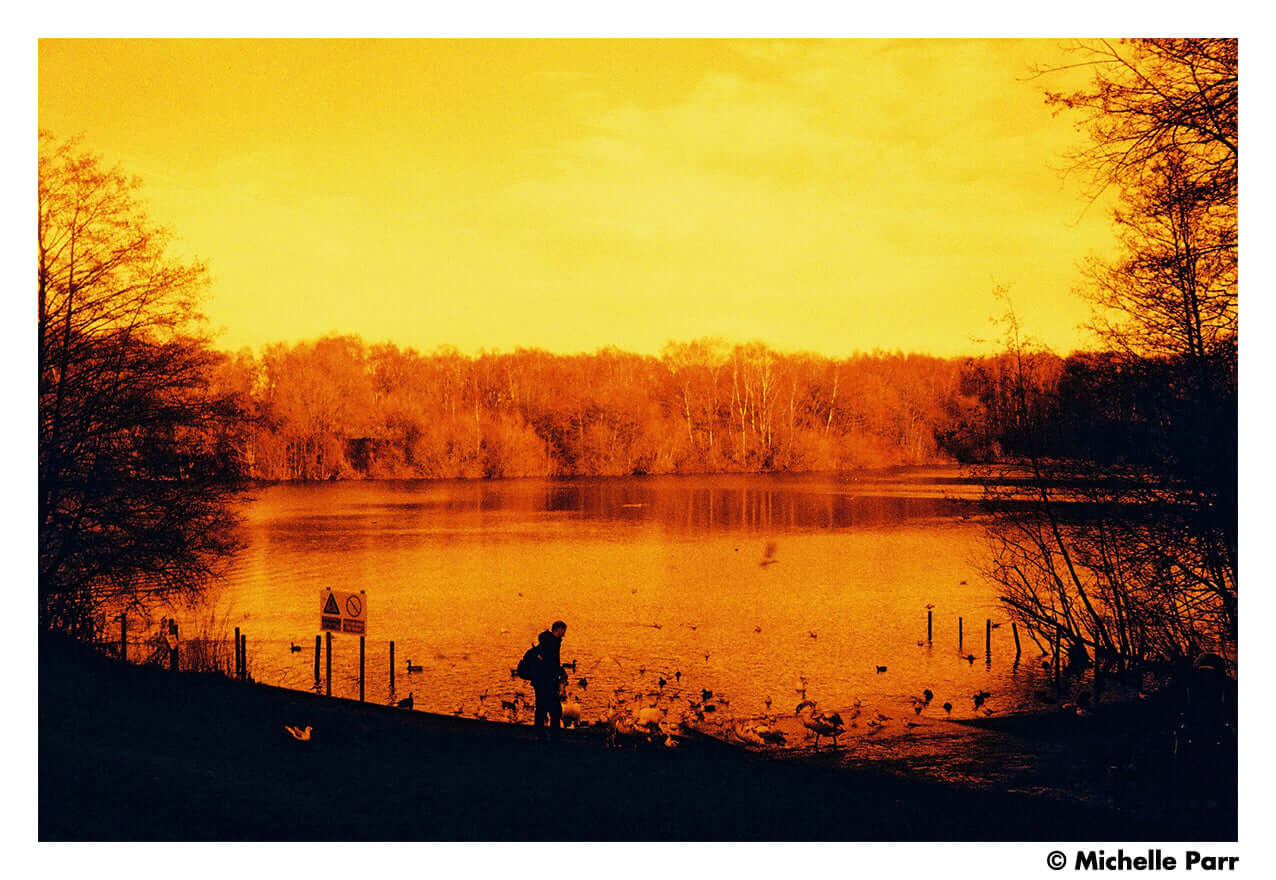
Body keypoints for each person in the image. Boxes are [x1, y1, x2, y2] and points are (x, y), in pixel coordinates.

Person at [533, 620, 568, 741]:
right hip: (546, 682)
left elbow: (550, 661)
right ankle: (552, 736)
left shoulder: (548, 641)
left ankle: (541, 734)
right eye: (564, 631)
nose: (564, 634)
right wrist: (559, 671)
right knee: (553, 710)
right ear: (558, 629)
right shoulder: (551, 643)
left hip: (542, 681)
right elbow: (550, 662)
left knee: (543, 708)